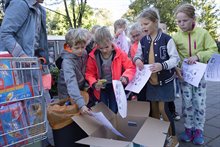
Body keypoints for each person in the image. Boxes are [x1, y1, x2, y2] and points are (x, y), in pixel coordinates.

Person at [133, 7, 180, 147]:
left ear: (155, 22)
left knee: (164, 110)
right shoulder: (143, 41)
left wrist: (162, 65)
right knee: (153, 111)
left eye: (146, 24)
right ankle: (157, 137)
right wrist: (137, 60)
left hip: (165, 81)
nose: (143, 27)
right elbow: (137, 55)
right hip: (150, 82)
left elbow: (175, 59)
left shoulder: (167, 39)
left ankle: (173, 138)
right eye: (141, 25)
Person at [173, 3, 218, 145]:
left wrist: (198, 56)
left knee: (199, 102)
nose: (181, 24)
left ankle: (198, 130)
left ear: (193, 19)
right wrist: (177, 68)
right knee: (186, 103)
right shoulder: (175, 37)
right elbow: (173, 55)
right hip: (185, 76)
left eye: (184, 20)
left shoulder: (203, 33)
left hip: (200, 76)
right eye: (179, 21)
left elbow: (213, 50)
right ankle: (188, 129)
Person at [85, 26, 136, 113]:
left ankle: (114, 124)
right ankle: (105, 126)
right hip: (101, 88)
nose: (104, 50)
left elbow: (130, 67)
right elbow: (89, 73)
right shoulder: (93, 56)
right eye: (101, 48)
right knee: (103, 109)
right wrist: (94, 83)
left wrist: (125, 77)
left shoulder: (119, 53)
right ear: (96, 45)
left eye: (106, 47)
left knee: (114, 109)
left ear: (111, 41)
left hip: (115, 87)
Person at [55, 28, 91, 147]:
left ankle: (80, 139)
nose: (81, 50)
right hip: (66, 90)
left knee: (81, 113)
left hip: (79, 88)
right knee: (70, 115)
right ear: (69, 47)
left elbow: (85, 70)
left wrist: (86, 85)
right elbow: (71, 83)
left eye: (83, 47)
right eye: (77, 48)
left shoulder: (84, 54)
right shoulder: (67, 62)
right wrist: (81, 103)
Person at [159, 22, 181, 121]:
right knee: (162, 100)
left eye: (164, 28)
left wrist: (175, 68)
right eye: (160, 29)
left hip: (169, 74)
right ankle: (163, 114)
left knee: (169, 98)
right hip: (159, 76)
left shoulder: (168, 40)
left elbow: (174, 57)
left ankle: (173, 112)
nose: (162, 30)